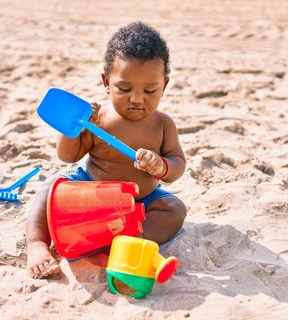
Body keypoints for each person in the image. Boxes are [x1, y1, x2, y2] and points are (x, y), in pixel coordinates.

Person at [26, 22, 187, 279]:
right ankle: (36, 245)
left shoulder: (163, 124)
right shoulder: (98, 118)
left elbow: (177, 164)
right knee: (50, 186)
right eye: (124, 89)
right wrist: (76, 131)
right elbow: (68, 156)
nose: (136, 98)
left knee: (174, 209)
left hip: (139, 203)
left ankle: (128, 242)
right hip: (91, 195)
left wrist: (161, 166)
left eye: (150, 90)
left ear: (164, 86)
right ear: (106, 82)